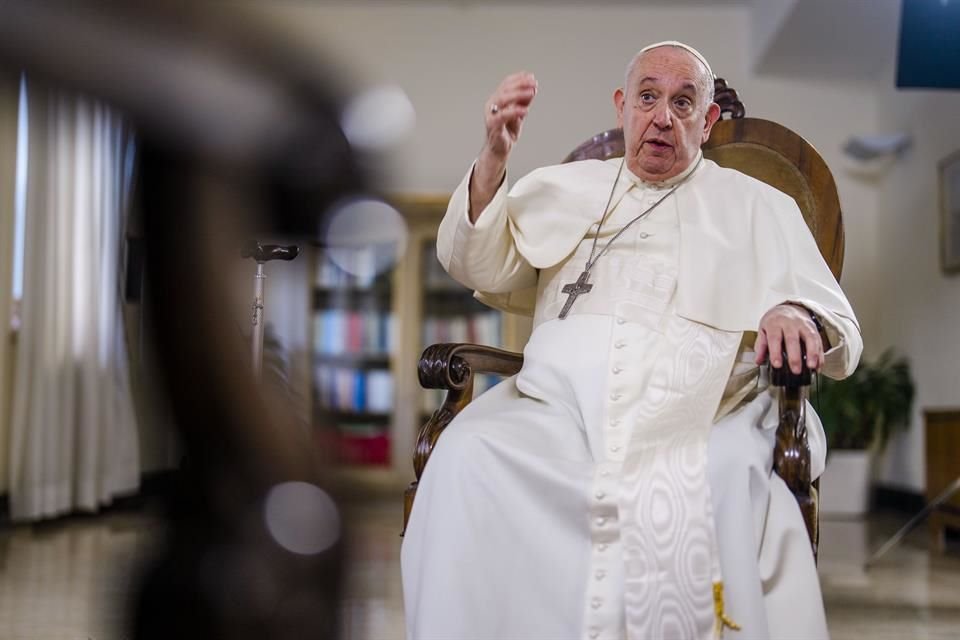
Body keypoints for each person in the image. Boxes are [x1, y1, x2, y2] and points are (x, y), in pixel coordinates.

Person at [401, 41, 861, 640]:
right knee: (466, 452)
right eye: (648, 97)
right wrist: (493, 159)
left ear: (708, 121)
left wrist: (794, 311)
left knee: (731, 475)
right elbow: (477, 262)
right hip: (556, 409)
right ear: (622, 105)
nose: (662, 117)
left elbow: (835, 322)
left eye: (683, 103)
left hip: (706, 412)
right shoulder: (568, 188)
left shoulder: (759, 206)